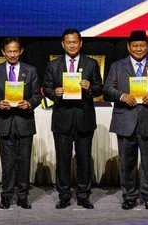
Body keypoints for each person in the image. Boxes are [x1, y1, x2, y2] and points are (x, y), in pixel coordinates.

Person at [106, 29, 148, 210]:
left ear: (147, 46)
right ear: (128, 47)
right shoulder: (117, 66)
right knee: (126, 162)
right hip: (125, 120)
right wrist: (121, 96)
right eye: (135, 45)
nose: (138, 49)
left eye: (142, 45)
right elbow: (108, 88)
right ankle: (129, 196)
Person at [42, 28, 104, 209]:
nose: (72, 45)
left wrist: (89, 87)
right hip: (62, 119)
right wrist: (55, 92)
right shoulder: (53, 65)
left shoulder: (91, 64)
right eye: (68, 42)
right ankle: (64, 195)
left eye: (75, 42)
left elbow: (100, 88)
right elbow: (45, 88)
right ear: (63, 44)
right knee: (63, 160)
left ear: (80, 43)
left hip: (84, 118)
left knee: (84, 159)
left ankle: (84, 195)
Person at [0, 37, 42, 210]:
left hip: (24, 122)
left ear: (21, 51)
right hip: (5, 122)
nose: (12, 54)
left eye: (15, 51)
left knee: (24, 162)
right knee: (7, 163)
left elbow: (37, 95)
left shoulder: (30, 70)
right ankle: (6, 196)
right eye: (9, 51)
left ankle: (23, 196)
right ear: (3, 52)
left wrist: (30, 103)